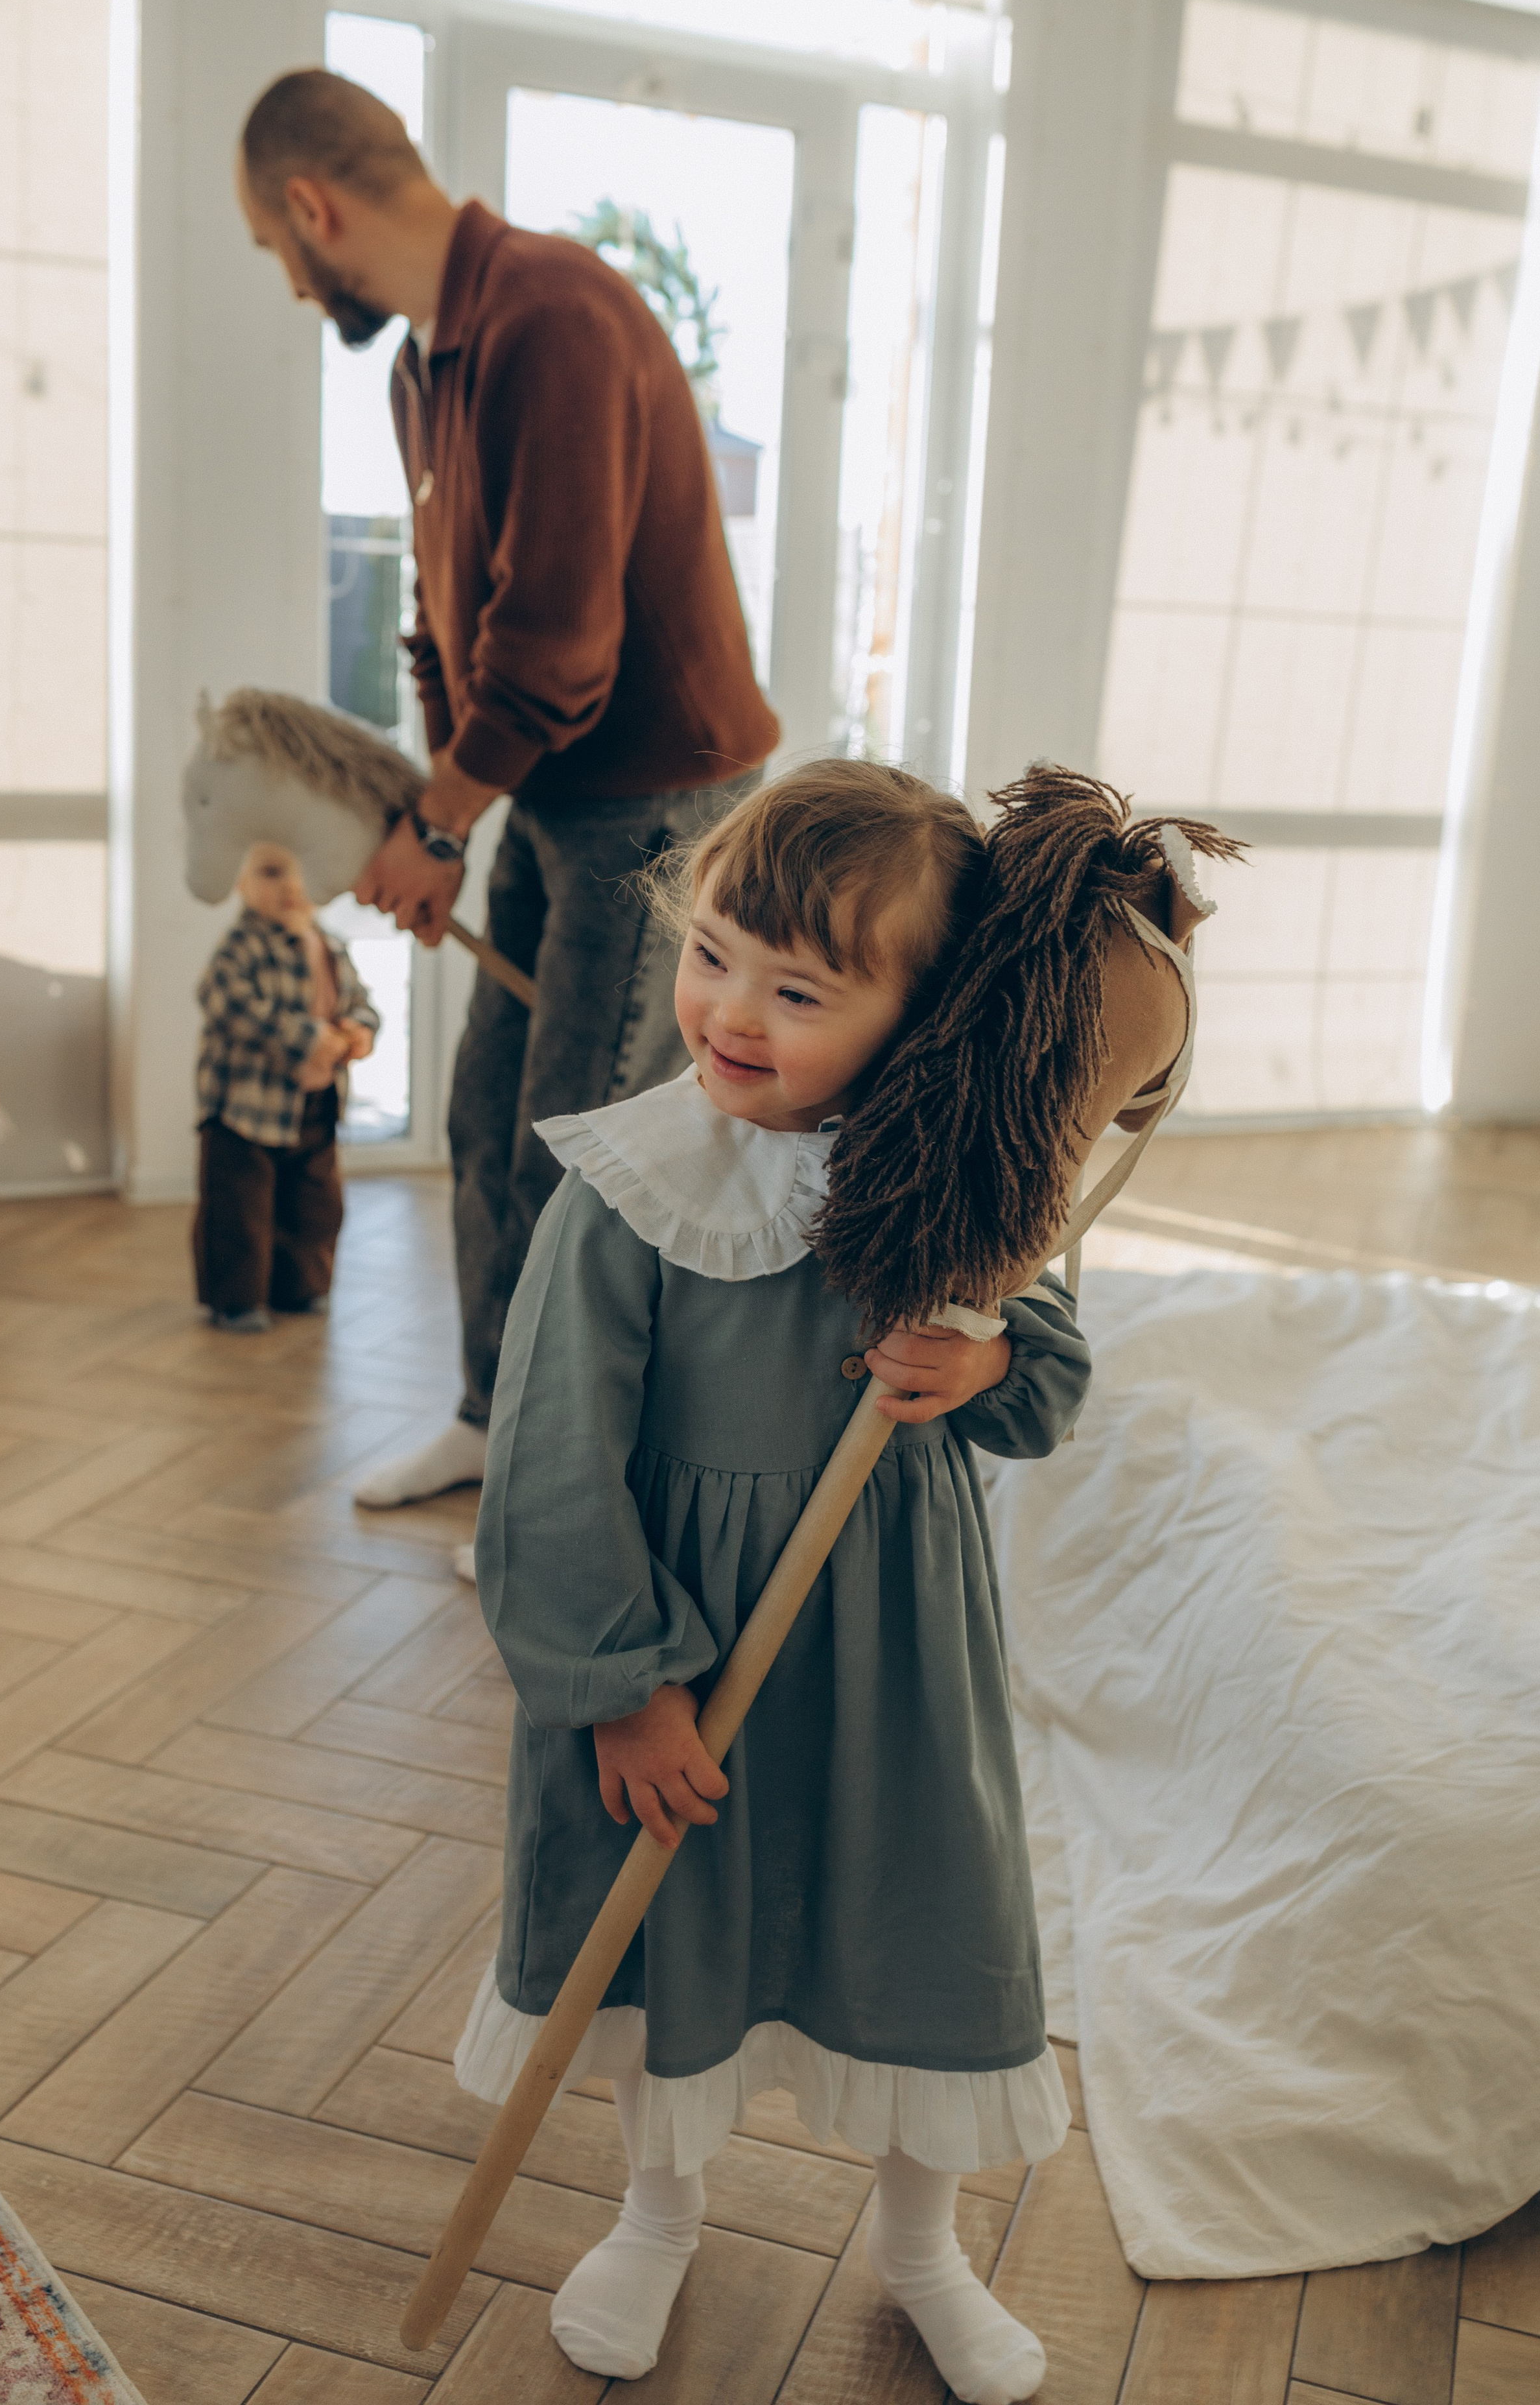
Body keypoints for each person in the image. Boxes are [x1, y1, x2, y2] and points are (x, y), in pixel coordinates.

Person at [451, 761, 1199, 2399]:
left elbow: (1044, 1387)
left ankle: (920, 2248)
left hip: (893, 1649)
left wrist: (979, 1348)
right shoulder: (632, 1189)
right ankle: (655, 2215)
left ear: (913, 1017)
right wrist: (621, 1683)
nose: (730, 1009)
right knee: (671, 1940)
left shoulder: (946, 1183)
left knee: (921, 1923)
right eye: (712, 951)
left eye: (799, 989)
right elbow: (554, 1456)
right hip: (691, 1647)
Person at [235, 71, 776, 1552]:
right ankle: (496, 1419)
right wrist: (441, 814)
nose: (292, 287)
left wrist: (440, 821)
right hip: (550, 791)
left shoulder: (554, 316)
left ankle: (568, 1496)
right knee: (487, 1115)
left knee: (575, 1153)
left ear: (310, 206)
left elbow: (556, 644)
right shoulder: (426, 368)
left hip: (656, 799)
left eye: (276, 253)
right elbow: (446, 629)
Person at [195, 841, 379, 1331]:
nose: (292, 886)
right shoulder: (245, 945)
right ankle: (236, 1299)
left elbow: (359, 1000)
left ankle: (302, 1286)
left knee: (315, 1203)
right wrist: (304, 1037)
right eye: (272, 873)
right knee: (241, 1208)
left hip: (312, 1100)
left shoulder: (330, 944)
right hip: (245, 1105)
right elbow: (223, 1000)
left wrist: (360, 1028)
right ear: (242, 885)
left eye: (304, 873)